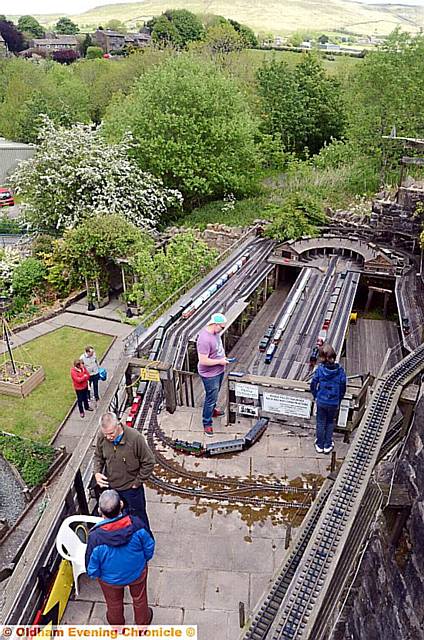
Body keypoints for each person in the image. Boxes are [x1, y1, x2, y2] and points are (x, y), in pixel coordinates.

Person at [86, 489, 155, 626]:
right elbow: (149, 546)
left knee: (114, 603)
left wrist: (99, 576)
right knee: (139, 599)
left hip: (110, 579)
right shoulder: (137, 524)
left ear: (100, 510)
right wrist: (143, 561)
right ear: (121, 504)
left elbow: (91, 567)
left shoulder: (95, 537)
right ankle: (143, 623)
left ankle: (117, 626)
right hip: (136, 572)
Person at [94, 412, 155, 536]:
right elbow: (98, 456)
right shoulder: (102, 436)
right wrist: (96, 472)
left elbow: (149, 462)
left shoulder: (135, 438)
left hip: (132, 490)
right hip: (113, 489)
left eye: (111, 434)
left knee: (139, 518)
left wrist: (137, 483)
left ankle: (147, 540)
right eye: (106, 434)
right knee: (116, 520)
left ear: (118, 425)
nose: (108, 437)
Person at [196, 312, 231, 436]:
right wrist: (220, 361)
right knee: (210, 398)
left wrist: (222, 358)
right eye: (222, 327)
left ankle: (212, 411)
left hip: (219, 370)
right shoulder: (204, 339)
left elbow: (217, 349)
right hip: (210, 374)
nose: (223, 329)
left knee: (214, 396)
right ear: (215, 324)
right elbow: (203, 361)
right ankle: (207, 423)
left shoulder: (215, 333)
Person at [310, 343, 346, 455]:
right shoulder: (340, 371)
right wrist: (339, 399)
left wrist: (316, 395)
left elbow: (313, 384)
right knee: (330, 422)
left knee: (320, 422)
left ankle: (319, 445)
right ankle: (327, 445)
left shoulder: (320, 370)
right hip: (333, 402)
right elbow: (343, 387)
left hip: (321, 400)